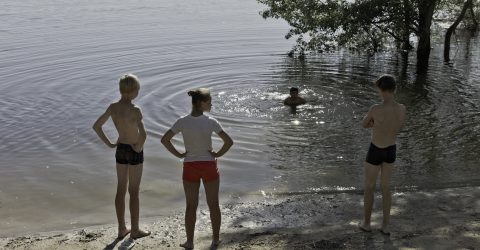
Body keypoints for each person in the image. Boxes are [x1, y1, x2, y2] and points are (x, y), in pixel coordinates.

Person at [161, 88, 233, 250]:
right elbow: (229, 141)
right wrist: (218, 154)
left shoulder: (182, 121)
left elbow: (165, 140)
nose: (211, 104)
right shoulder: (211, 121)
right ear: (201, 103)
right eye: (209, 101)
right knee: (213, 204)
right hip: (208, 165)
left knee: (190, 206)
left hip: (190, 166)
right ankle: (215, 240)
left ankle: (190, 242)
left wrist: (179, 155)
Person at [92, 74, 151, 248]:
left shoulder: (113, 107)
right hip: (133, 149)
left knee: (120, 189)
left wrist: (110, 143)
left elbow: (96, 126)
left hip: (120, 149)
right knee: (134, 192)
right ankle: (134, 230)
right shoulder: (136, 110)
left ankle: (121, 228)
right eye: (138, 90)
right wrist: (139, 147)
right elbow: (144, 134)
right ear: (134, 92)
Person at [359, 75, 406, 236]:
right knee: (386, 187)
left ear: (380, 90)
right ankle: (386, 225)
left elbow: (364, 124)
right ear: (395, 89)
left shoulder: (375, 109)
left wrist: (374, 124)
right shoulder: (402, 108)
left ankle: (366, 223)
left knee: (370, 187)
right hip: (391, 150)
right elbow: (399, 125)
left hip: (376, 149)